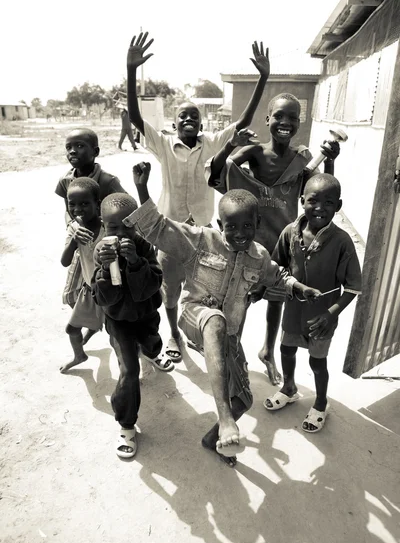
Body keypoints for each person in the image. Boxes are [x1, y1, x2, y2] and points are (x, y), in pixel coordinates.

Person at [122, 161, 321, 466]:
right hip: (195, 316)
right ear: (219, 223)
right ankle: (225, 419)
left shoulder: (259, 256)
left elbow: (276, 275)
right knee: (214, 320)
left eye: (247, 226)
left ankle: (215, 438)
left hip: (226, 336)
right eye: (231, 226)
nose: (239, 233)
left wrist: (299, 288)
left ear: (257, 223)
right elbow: (158, 227)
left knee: (244, 399)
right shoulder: (200, 240)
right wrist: (141, 187)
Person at [126, 30, 271, 365]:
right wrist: (132, 70)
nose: (189, 118)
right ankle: (175, 334)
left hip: (205, 233)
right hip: (171, 230)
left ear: (201, 122)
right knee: (172, 288)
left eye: (194, 115)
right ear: (174, 124)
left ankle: (195, 334)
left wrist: (263, 77)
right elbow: (135, 118)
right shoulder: (163, 145)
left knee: (206, 289)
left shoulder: (212, 142)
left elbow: (243, 122)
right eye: (183, 116)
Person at [207, 94, 340, 385]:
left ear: (299, 123)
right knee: (238, 299)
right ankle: (232, 354)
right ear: (268, 119)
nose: (285, 122)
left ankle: (267, 350)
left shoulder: (302, 161)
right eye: (279, 115)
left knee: (277, 298)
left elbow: (321, 191)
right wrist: (231, 144)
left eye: (292, 117)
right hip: (249, 239)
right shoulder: (253, 153)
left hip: (283, 243)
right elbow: (218, 173)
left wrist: (329, 162)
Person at [260, 174, 361, 432]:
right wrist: (294, 285)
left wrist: (331, 314)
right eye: (313, 200)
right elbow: (277, 267)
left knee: (318, 363)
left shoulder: (341, 241)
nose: (320, 207)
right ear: (302, 200)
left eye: (329, 202)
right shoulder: (289, 233)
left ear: (338, 206)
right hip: (293, 309)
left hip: (321, 316)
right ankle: (289, 387)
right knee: (286, 350)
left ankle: (320, 402)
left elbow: (352, 287)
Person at [91, 192, 174, 459]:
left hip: (146, 316)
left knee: (152, 342)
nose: (123, 232)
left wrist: (136, 263)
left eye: (128, 224)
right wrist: (106, 269)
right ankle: (126, 424)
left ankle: (151, 351)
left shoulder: (144, 245)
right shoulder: (100, 252)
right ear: (103, 226)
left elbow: (153, 286)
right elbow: (103, 297)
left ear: (136, 223)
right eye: (114, 227)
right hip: (119, 322)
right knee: (129, 370)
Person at [55, 128, 127, 308]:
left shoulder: (107, 181)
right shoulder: (65, 180)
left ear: (95, 152)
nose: (72, 151)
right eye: (68, 147)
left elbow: (128, 208)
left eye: (79, 146)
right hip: (79, 238)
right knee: (73, 293)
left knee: (107, 284)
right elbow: (67, 210)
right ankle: (86, 320)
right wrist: (72, 226)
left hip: (103, 240)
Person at [60, 178, 105, 373]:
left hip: (112, 291)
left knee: (119, 336)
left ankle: (130, 367)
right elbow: (64, 261)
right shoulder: (74, 227)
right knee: (71, 329)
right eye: (72, 204)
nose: (78, 209)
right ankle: (80, 355)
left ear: (98, 203)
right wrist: (73, 242)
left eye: (85, 203)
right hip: (89, 291)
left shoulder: (108, 226)